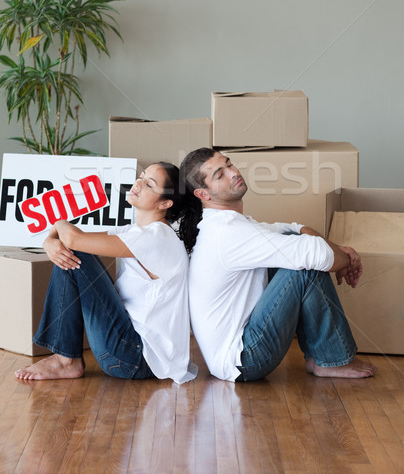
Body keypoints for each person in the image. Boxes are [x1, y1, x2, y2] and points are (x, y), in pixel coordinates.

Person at [179, 147, 377, 383]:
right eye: (219, 175)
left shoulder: (228, 223)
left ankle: (321, 357)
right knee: (303, 269)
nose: (233, 173)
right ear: (204, 194)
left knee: (297, 247)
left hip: (240, 351)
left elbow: (290, 228)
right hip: (244, 359)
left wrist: (338, 251)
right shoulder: (227, 233)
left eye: (229, 164)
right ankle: (334, 358)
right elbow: (319, 255)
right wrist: (349, 260)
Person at [15, 162, 197, 385]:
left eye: (150, 184)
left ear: (165, 203)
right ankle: (65, 359)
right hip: (132, 352)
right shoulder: (137, 230)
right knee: (74, 249)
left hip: (134, 358)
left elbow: (73, 239)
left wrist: (59, 227)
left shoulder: (157, 237)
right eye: (141, 176)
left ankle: (66, 360)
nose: (138, 183)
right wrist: (50, 240)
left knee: (76, 250)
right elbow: (73, 235)